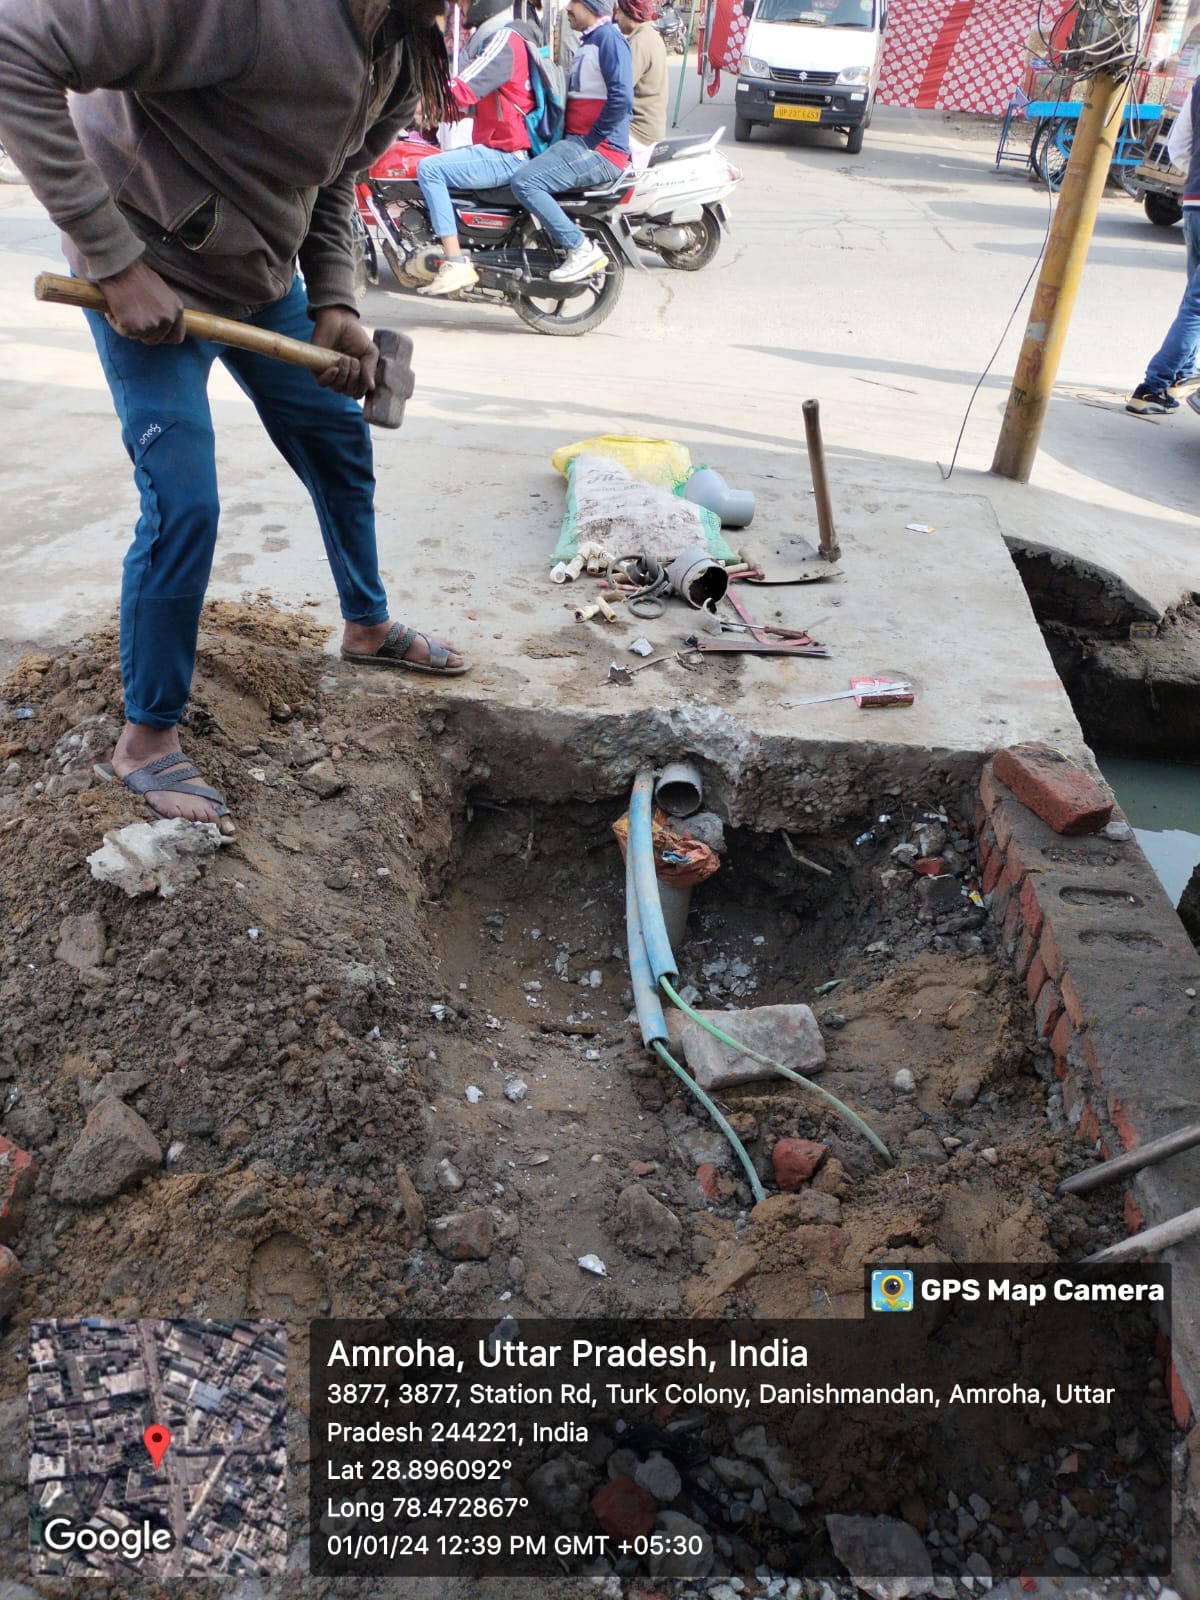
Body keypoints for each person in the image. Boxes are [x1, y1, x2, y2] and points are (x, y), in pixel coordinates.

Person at [0, 0, 470, 836]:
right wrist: (115, 261)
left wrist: (334, 298)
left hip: (260, 276)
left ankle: (366, 626)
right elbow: (14, 47)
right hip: (149, 273)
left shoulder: (401, 49)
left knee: (336, 440)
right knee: (184, 502)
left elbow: (332, 180)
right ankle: (146, 738)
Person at [418, 0, 538, 296]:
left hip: (504, 154)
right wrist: (431, 114)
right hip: (502, 148)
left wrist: (416, 101)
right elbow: (472, 102)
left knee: (429, 169)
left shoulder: (504, 39)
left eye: (466, 2)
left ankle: (454, 261)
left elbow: (462, 88)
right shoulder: (510, 38)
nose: (461, 6)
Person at [509, 0, 632, 282]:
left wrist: (592, 140)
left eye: (574, 1)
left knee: (525, 182)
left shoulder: (609, 39)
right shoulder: (590, 41)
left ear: (592, 4)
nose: (567, 8)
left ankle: (580, 249)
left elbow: (622, 98)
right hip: (581, 143)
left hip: (599, 151)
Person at [1127, 74, 1200, 416]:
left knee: (1193, 299)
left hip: (1194, 203)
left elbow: (1179, 147)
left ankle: (1182, 374)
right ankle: (1152, 387)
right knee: (1196, 307)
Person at [615, 0, 668, 172]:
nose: (616, 17)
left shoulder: (639, 42)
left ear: (631, 13)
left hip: (638, 131)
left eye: (619, 12)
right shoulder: (651, 36)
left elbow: (619, 89)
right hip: (652, 126)